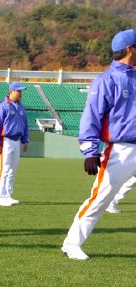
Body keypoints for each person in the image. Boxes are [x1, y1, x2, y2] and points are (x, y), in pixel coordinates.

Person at [61, 28, 136, 260]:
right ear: (129, 49)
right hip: (120, 150)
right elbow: (91, 117)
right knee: (100, 199)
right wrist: (90, 151)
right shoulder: (106, 80)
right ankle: (72, 243)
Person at [0, 81, 29, 207]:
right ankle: (0, 197)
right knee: (4, 169)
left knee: (12, 169)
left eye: (21, 91)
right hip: (5, 140)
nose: (20, 93)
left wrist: (25, 140)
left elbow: (25, 125)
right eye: (18, 91)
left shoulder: (21, 107)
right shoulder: (3, 106)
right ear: (11, 91)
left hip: (16, 140)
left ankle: (8, 195)